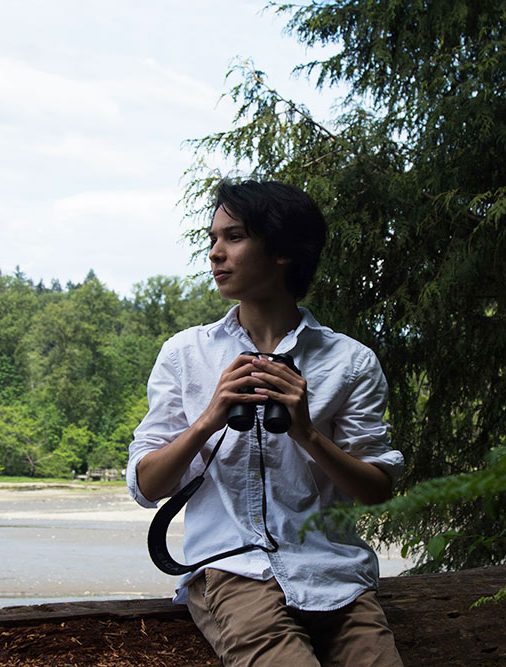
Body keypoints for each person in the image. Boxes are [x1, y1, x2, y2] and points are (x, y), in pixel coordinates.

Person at [127, 180, 404, 666]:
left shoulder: (349, 362)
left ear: (281, 250)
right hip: (232, 573)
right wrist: (206, 422)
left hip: (336, 577)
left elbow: (377, 489)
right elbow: (147, 487)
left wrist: (307, 432)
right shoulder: (185, 355)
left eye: (233, 238)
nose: (214, 254)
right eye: (211, 239)